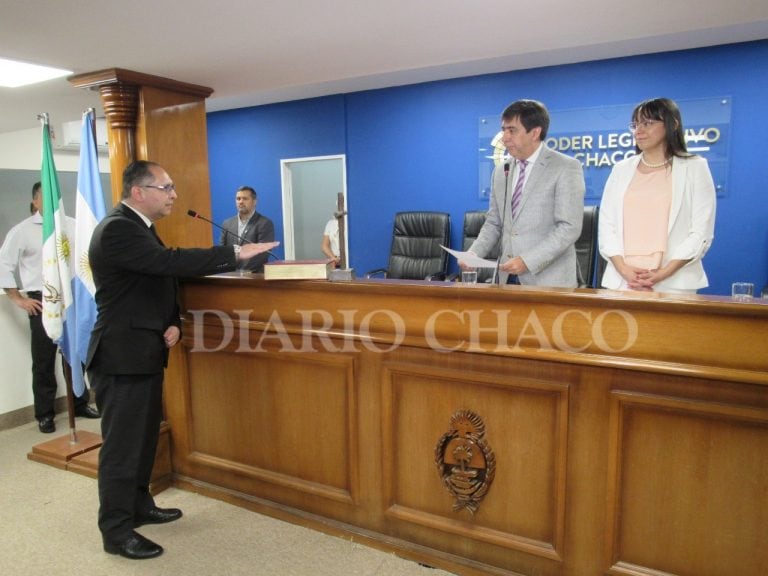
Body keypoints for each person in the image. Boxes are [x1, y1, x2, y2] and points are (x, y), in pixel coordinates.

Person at [86, 161, 278, 560]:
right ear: (140, 191)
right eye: (167, 187)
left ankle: (138, 504)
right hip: (121, 355)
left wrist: (171, 320)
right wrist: (235, 253)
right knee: (122, 446)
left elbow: (158, 280)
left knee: (141, 440)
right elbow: (168, 263)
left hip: (145, 349)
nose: (174, 194)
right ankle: (116, 530)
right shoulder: (118, 228)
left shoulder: (140, 226)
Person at [0, 182, 100, 434]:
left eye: (56, 196)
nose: (53, 201)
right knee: (43, 361)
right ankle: (44, 414)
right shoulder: (22, 231)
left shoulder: (73, 225)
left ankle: (79, 403)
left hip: (73, 298)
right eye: (46, 197)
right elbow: (3, 265)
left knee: (75, 355)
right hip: (42, 300)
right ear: (35, 201)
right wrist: (18, 299)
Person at [598, 97, 716, 293]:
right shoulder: (621, 169)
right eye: (635, 124)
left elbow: (701, 232)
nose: (639, 130)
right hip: (622, 282)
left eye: (648, 123)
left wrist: (662, 274)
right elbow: (606, 226)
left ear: (673, 124)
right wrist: (624, 270)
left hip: (674, 283)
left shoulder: (695, 167)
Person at [462, 99, 585, 287]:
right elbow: (494, 222)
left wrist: (528, 261)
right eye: (503, 130)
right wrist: (474, 253)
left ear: (535, 132)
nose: (504, 137)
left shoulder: (566, 167)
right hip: (506, 278)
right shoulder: (501, 171)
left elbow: (569, 227)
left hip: (549, 281)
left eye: (512, 130)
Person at [219, 185, 275, 272]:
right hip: (230, 276)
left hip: (254, 276)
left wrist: (241, 272)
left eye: (245, 199)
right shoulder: (227, 223)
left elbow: (263, 252)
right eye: (238, 199)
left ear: (254, 202)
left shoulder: (264, 223)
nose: (241, 202)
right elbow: (222, 250)